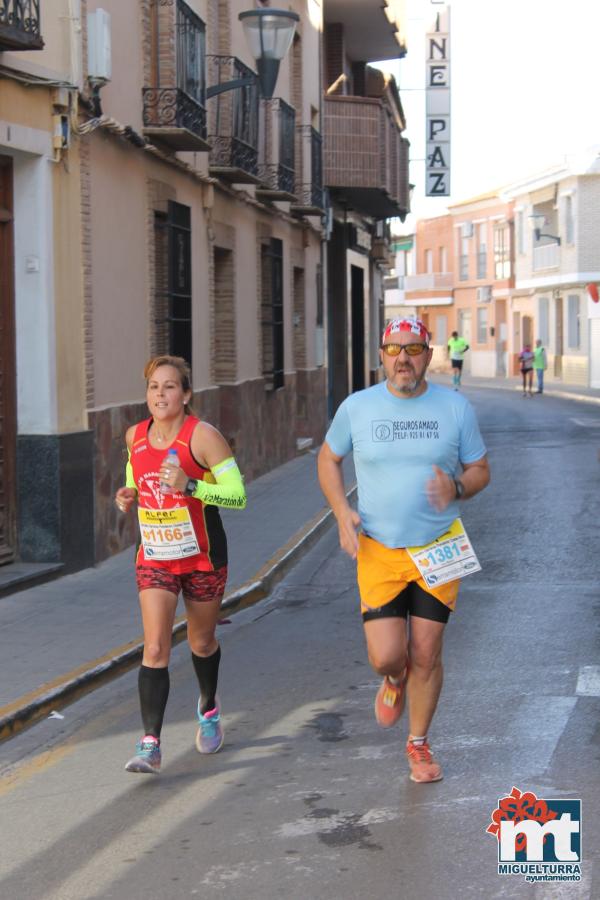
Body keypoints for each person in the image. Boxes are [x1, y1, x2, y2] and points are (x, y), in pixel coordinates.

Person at [317, 316, 490, 783]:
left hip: (439, 546)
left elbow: (480, 470)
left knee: (428, 651)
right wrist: (340, 512)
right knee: (388, 656)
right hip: (379, 550)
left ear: (429, 356)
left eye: (413, 350)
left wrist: (456, 485)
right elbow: (328, 459)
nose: (403, 359)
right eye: (393, 350)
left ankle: (418, 744)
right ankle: (393, 680)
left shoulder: (455, 408)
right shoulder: (357, 407)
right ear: (381, 357)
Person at [115, 355, 246, 774]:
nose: (160, 394)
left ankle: (208, 707)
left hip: (202, 557)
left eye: (169, 386)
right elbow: (136, 479)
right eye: (154, 386)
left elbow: (238, 495)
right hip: (155, 556)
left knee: (201, 642)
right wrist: (127, 495)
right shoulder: (135, 436)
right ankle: (150, 743)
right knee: (155, 646)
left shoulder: (203, 438)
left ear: (186, 394)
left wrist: (190, 485)